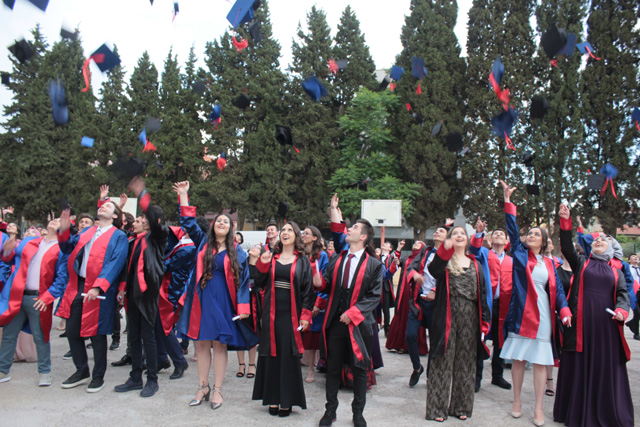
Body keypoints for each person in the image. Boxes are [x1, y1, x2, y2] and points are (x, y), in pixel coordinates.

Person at [173, 181, 253, 409]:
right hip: (200, 299)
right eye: (218, 220)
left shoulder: (237, 252)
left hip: (223, 301)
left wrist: (243, 307)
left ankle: (217, 389)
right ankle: (202, 387)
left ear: (231, 228)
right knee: (200, 346)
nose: (221, 223)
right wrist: (184, 196)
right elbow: (188, 222)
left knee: (219, 345)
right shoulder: (202, 243)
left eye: (225, 221)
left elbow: (243, 281)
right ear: (213, 225)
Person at [499, 180, 571, 426]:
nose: (530, 235)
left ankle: (539, 408)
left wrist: (564, 310)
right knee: (519, 360)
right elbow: (511, 227)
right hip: (521, 315)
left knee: (541, 362)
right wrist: (508, 202)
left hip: (544, 318)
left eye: (536, 234)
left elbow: (559, 291)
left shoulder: (551, 264)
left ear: (544, 241)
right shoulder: (519, 254)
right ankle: (517, 401)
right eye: (529, 233)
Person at [554, 204, 633, 426]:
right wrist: (565, 222)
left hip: (606, 329)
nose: (598, 241)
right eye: (596, 240)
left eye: (604, 240)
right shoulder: (580, 262)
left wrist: (621, 311)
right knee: (579, 365)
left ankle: (605, 412)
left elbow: (623, 295)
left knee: (604, 370)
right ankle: (577, 413)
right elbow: (568, 246)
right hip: (581, 328)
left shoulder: (617, 271)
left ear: (610, 247)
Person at [317, 194, 382, 427]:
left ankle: (358, 413)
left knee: (360, 369)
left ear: (363, 236)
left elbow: (374, 296)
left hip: (359, 325)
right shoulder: (337, 258)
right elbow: (326, 285)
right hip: (335, 321)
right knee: (333, 367)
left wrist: (353, 313)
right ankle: (330, 411)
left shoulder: (375, 265)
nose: (349, 229)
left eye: (354, 227)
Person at [56, 199, 128, 393]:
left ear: (115, 215)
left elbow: (116, 263)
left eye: (108, 206)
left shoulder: (118, 236)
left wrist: (99, 287)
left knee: (97, 333)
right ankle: (81, 371)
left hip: (99, 289)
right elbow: (66, 248)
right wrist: (64, 223)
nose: (102, 206)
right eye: (101, 205)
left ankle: (98, 376)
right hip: (78, 285)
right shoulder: (87, 232)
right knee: (72, 331)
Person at [426, 226, 491, 421]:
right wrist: (445, 249)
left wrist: (484, 323)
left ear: (468, 239)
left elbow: (483, 294)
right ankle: (437, 409)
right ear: (450, 239)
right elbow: (433, 269)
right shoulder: (444, 261)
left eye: (463, 233)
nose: (459, 236)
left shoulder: (476, 265)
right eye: (455, 233)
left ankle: (461, 407)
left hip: (470, 317)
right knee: (442, 361)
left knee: (466, 363)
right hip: (446, 315)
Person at [251, 222, 314, 416]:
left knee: (287, 355)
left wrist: (305, 315)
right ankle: (271, 398)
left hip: (291, 316)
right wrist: (260, 263)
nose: (285, 233)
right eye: (283, 230)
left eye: (290, 230)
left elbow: (308, 291)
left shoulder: (303, 260)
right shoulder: (271, 257)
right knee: (270, 354)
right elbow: (258, 283)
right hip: (271, 314)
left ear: (296, 236)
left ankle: (286, 400)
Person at [114, 178, 168, 398]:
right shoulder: (132, 241)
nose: (133, 222)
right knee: (133, 338)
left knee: (148, 338)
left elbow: (155, 221)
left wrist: (142, 193)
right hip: (132, 296)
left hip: (147, 296)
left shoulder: (156, 238)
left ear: (147, 222)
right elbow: (128, 269)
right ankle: (135, 377)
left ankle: (152, 380)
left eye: (138, 219)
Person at [0, 217, 69, 386]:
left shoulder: (63, 249)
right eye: (53, 219)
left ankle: (45, 372)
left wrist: (47, 297)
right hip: (17, 295)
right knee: (9, 335)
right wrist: (7, 251)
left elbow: (62, 279)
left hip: (39, 298)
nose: (54, 221)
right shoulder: (30, 241)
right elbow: (8, 260)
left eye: (59, 220)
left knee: (41, 336)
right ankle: (3, 370)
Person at [404, 221, 451, 387]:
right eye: (436, 230)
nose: (436, 233)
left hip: (437, 305)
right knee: (410, 335)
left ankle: (431, 374)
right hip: (418, 302)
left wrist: (436, 291)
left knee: (435, 341)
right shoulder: (425, 251)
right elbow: (411, 268)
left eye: (441, 231)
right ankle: (417, 368)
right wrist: (415, 275)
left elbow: (451, 278)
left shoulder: (451, 255)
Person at [470, 218, 513, 391]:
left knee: (500, 341)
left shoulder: (512, 260)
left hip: (504, 306)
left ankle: (497, 376)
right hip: (486, 304)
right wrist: (479, 233)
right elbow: (473, 249)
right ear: (490, 239)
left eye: (502, 234)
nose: (498, 235)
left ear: (507, 241)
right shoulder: (485, 254)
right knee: (481, 339)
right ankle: (477, 377)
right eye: (495, 233)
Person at [154, 226, 194, 380]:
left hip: (172, 291)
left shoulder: (188, 249)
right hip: (165, 289)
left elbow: (165, 265)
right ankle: (162, 359)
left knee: (165, 327)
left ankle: (179, 361)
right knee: (158, 325)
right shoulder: (180, 244)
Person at [385, 240, 429, 356]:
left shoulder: (425, 259)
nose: (415, 243)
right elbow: (395, 263)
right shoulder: (407, 258)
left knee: (415, 317)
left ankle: (416, 346)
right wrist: (398, 249)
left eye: (419, 243)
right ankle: (400, 345)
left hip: (416, 293)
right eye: (414, 242)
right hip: (403, 293)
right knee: (402, 315)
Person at [300, 225, 328, 383]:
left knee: (312, 336)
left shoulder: (322, 256)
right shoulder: (299, 254)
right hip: (299, 298)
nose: (303, 235)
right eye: (303, 233)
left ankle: (311, 367)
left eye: (307, 233)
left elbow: (325, 280)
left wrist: (318, 303)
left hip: (314, 300)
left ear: (315, 238)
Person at [379, 241, 396, 337]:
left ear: (390, 249)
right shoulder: (377, 257)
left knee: (386, 310)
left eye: (386, 245)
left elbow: (394, 269)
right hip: (376, 285)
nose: (384, 245)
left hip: (386, 286)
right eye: (384, 244)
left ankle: (387, 330)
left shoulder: (391, 258)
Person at [627, 253, 640, 340]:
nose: (636, 257)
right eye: (633, 257)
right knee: (637, 311)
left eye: (637, 257)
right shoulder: (627, 268)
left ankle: (631, 323)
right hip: (633, 292)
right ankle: (636, 333)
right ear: (629, 260)